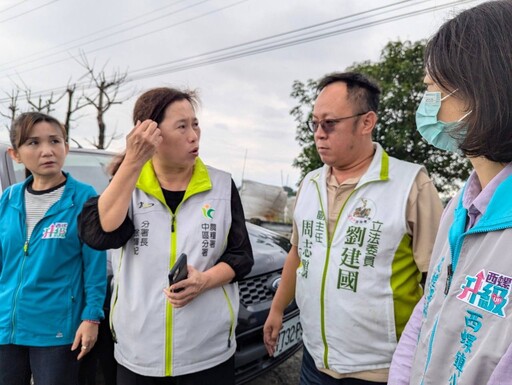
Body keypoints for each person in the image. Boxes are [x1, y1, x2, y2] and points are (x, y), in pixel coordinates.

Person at [263, 72, 443, 385]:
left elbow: (438, 277)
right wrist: (277, 309)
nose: (319, 134)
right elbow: (297, 252)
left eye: (329, 123)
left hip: (381, 370)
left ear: (366, 122)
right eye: (314, 123)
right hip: (314, 361)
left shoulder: (410, 186)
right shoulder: (310, 184)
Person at [78, 87, 254, 385]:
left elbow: (241, 256)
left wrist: (205, 280)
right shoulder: (128, 187)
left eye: (195, 124)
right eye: (182, 126)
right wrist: (133, 160)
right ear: (150, 134)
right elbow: (101, 233)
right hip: (138, 353)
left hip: (207, 352)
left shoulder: (222, 186)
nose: (194, 135)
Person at [388, 1, 512, 384]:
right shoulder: (461, 205)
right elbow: (429, 310)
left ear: (484, 89)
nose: (425, 105)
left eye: (431, 90)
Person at [0, 112, 107, 385]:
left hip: (57, 331)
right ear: (16, 154)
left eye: (55, 141)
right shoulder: (8, 199)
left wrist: (91, 317)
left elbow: (94, 265)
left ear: (66, 148)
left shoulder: (84, 198)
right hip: (6, 328)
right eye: (33, 143)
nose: (47, 151)